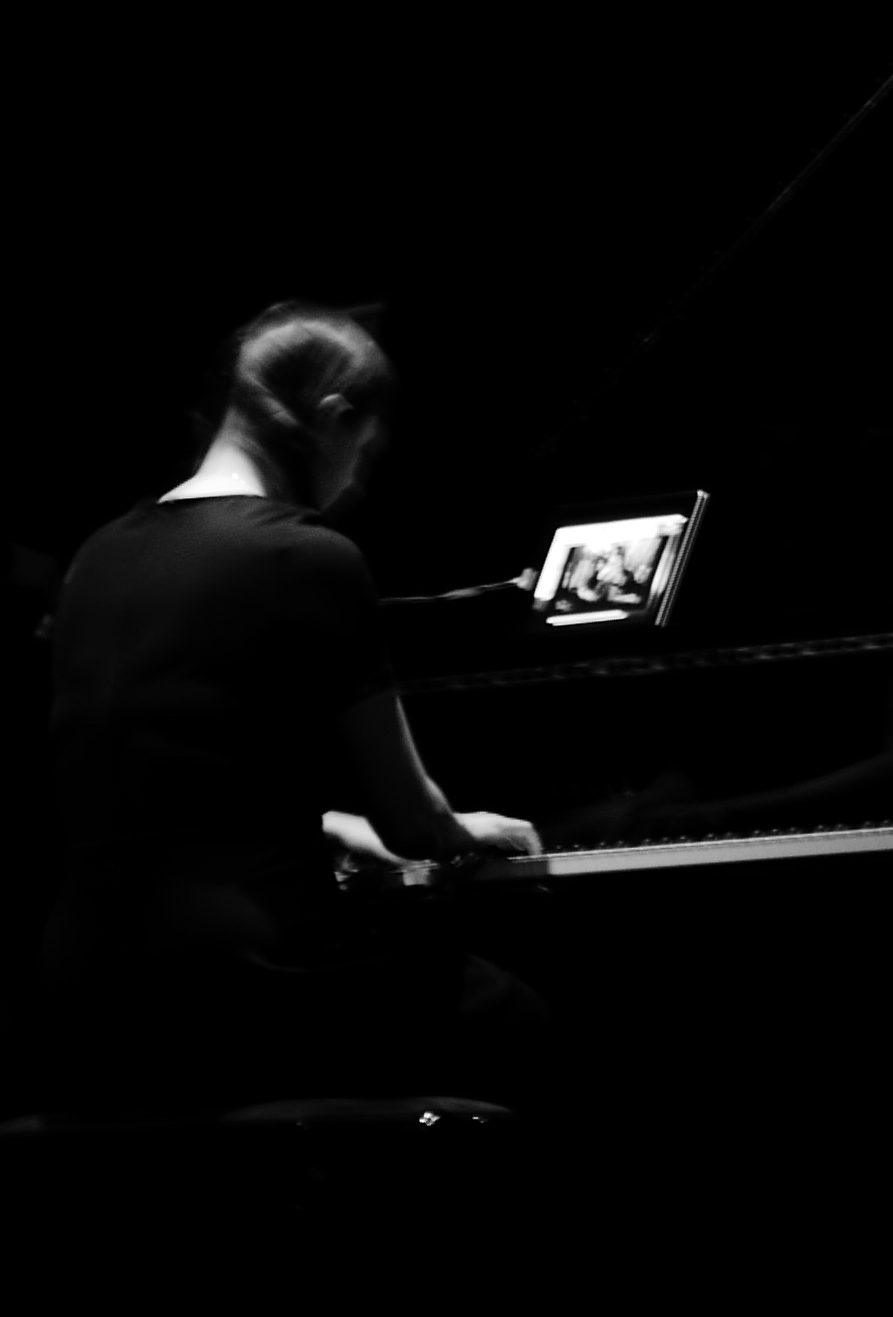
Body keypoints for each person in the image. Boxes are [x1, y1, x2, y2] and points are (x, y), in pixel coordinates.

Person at [36, 302, 552, 1127]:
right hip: (250, 979)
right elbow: (416, 824)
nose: (356, 484)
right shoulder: (307, 554)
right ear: (334, 417)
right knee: (528, 1025)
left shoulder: (97, 555)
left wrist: (327, 826)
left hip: (91, 985)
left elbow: (155, 783)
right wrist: (469, 827)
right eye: (364, 453)